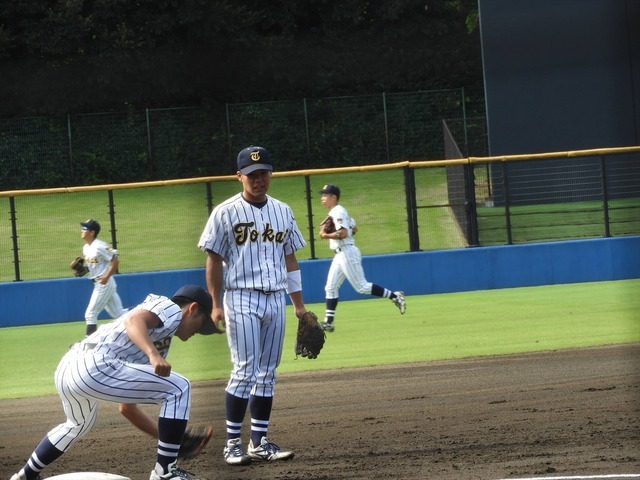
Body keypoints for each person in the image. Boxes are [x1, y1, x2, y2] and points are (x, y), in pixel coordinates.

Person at [9, 285, 216, 480]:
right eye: (203, 322)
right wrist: (153, 355)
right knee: (179, 388)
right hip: (93, 365)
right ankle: (165, 472)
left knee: (77, 424)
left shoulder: (157, 337)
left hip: (69, 368)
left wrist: (172, 440)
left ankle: (26, 475)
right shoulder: (170, 309)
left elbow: (127, 408)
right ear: (192, 308)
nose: (200, 331)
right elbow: (133, 320)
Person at [198, 145, 310, 466]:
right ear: (239, 177)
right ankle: (232, 443)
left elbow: (290, 260)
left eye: (263, 174)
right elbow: (214, 260)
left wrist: (299, 306)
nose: (258, 180)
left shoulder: (283, 211)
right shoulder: (225, 212)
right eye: (251, 175)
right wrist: (216, 305)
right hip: (241, 296)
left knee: (267, 374)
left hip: (276, 297)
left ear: (270, 174)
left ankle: (258, 443)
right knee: (245, 370)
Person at [318, 183, 406, 332]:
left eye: (325, 195)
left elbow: (344, 233)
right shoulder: (338, 212)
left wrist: (326, 235)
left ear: (334, 197)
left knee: (361, 286)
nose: (322, 198)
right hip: (341, 254)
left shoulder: (338, 211)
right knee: (330, 287)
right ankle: (329, 322)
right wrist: (344, 232)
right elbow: (354, 228)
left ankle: (395, 296)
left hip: (347, 252)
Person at [80, 218, 127, 336]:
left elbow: (115, 261)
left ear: (92, 232)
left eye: (85, 228)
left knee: (90, 314)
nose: (82, 230)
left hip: (103, 283)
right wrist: (84, 270)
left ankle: (89, 345)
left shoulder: (100, 246)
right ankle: (144, 312)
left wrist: (106, 276)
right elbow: (95, 265)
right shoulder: (86, 247)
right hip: (98, 281)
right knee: (119, 314)